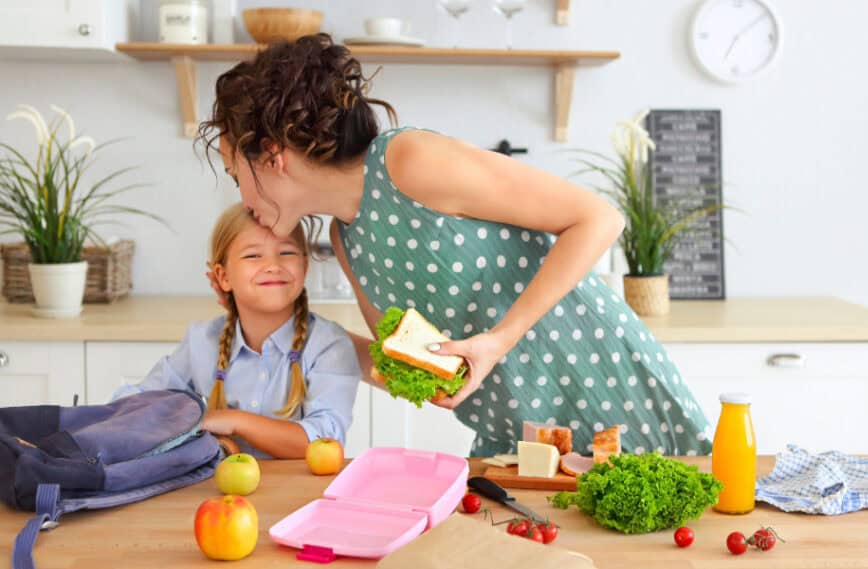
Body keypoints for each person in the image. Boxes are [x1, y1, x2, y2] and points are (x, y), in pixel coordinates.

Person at [197, 34, 712, 457]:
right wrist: (289, 330)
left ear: (272, 155)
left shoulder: (407, 160)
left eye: (232, 172)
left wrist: (499, 339)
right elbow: (406, 368)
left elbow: (597, 219)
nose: (239, 195)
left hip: (603, 387)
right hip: (516, 438)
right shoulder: (346, 240)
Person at [113, 204, 361, 459]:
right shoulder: (202, 340)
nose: (273, 265)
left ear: (305, 268)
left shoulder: (329, 344)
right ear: (223, 276)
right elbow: (138, 401)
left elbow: (324, 441)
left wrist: (232, 421)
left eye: (287, 252)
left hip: (300, 495)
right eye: (253, 256)